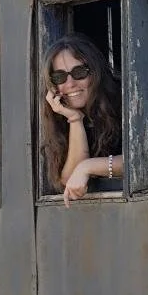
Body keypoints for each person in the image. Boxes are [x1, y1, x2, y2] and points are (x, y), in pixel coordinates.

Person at [40, 32, 124, 201]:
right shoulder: (59, 119)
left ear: (95, 72)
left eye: (79, 72)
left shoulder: (125, 101)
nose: (70, 84)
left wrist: (88, 166)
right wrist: (75, 119)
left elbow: (142, 160)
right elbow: (70, 181)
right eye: (59, 77)